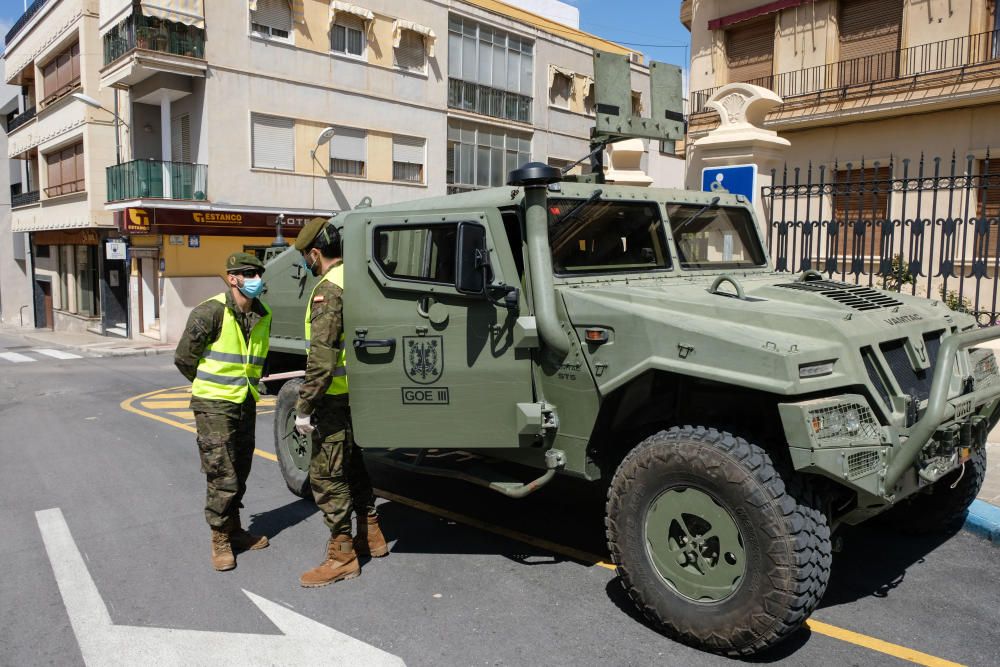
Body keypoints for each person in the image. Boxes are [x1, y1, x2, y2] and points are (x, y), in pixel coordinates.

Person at [293, 217, 388, 588]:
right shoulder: (361, 278)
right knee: (354, 465)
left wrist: (304, 407)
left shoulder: (328, 290)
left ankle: (342, 555)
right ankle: (373, 536)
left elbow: (321, 359)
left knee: (327, 475)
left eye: (306, 258)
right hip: (360, 395)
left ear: (315, 254)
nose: (307, 264)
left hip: (332, 398)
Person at [174, 252, 272, 571]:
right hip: (214, 404)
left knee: (240, 467)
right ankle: (219, 537)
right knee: (222, 471)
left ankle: (234, 529)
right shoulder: (210, 312)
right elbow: (184, 358)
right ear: (233, 278)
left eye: (259, 272)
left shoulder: (263, 314)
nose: (256, 278)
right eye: (249, 273)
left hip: (245, 400)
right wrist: (209, 388)